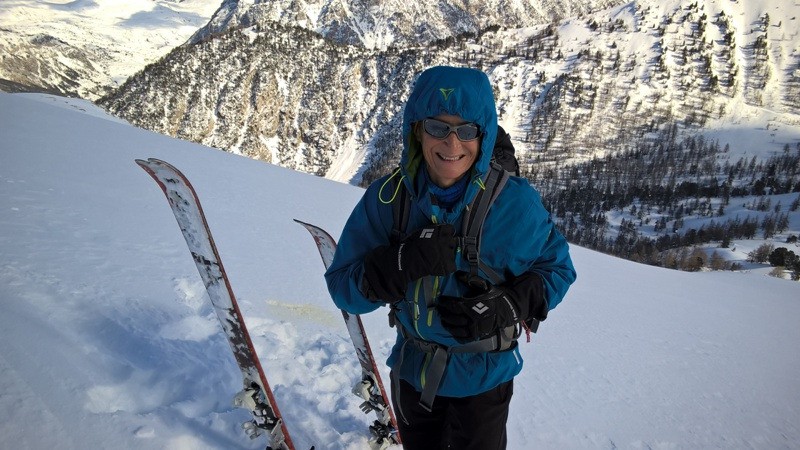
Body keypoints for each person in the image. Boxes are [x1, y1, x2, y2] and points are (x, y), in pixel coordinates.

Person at [325, 66, 576, 450]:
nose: (452, 143)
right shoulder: (389, 200)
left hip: (484, 383)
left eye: (467, 130)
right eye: (437, 127)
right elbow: (343, 289)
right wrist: (398, 263)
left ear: (484, 135)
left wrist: (509, 305)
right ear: (417, 130)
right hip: (413, 373)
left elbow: (557, 268)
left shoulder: (515, 204)